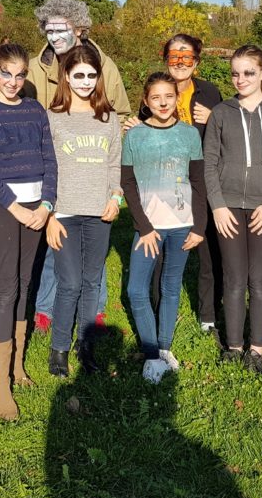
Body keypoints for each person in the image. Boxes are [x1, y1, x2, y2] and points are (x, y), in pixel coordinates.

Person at [26, 0, 130, 334]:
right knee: (55, 245)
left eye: (62, 30)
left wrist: (111, 182)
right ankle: (46, 306)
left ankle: (94, 308)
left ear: (80, 30)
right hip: (52, 166)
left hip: (93, 164)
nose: (55, 38)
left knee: (92, 254)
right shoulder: (35, 65)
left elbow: (121, 113)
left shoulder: (104, 65)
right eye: (49, 31)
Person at [0, 43, 57, 420]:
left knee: (25, 284)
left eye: (21, 75)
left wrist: (47, 205)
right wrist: (16, 207)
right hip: (4, 207)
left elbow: (50, 158)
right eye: (7, 73)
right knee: (5, 289)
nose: (14, 82)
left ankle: (17, 366)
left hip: (37, 209)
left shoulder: (35, 109)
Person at [203, 44, 262, 375]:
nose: (240, 79)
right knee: (233, 279)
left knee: (258, 279)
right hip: (228, 208)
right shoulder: (221, 113)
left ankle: (255, 348)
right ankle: (234, 346)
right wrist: (217, 206)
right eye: (235, 73)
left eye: (248, 73)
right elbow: (209, 165)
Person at [129, 34, 223, 333]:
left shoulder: (210, 93)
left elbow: (225, 131)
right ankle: (155, 312)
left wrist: (215, 117)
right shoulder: (158, 93)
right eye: (174, 57)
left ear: (197, 61)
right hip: (158, 196)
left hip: (200, 182)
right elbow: (144, 134)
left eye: (187, 57)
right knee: (156, 263)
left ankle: (207, 312)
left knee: (208, 253)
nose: (180, 63)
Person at [123, 72, 206, 383]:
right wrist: (143, 227)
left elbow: (198, 182)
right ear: (146, 101)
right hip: (148, 229)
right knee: (136, 289)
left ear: (176, 99)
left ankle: (166, 348)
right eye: (155, 97)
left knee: (170, 287)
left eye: (168, 96)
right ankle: (151, 352)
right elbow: (128, 183)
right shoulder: (135, 136)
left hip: (182, 226)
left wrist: (199, 226)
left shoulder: (189, 135)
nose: (162, 102)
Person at [45, 45, 122, 377]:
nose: (86, 81)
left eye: (92, 75)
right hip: (64, 212)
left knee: (92, 282)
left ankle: (85, 345)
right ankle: (59, 348)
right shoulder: (53, 118)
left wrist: (116, 198)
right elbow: (46, 169)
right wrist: (48, 215)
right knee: (70, 283)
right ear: (66, 76)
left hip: (98, 213)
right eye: (79, 75)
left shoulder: (108, 117)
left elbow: (114, 165)